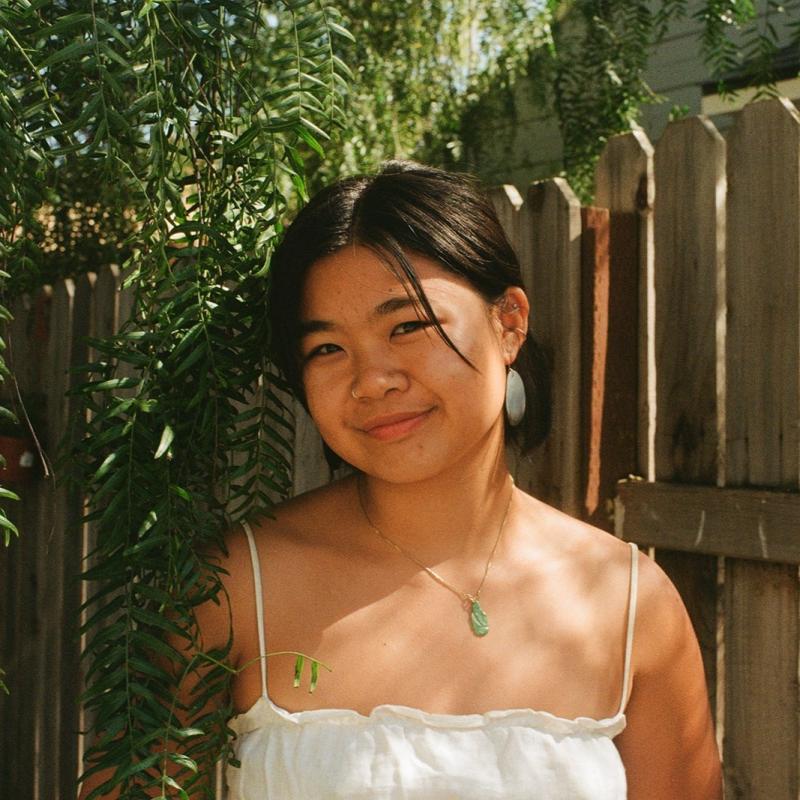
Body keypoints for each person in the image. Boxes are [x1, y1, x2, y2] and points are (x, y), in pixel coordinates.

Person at [81, 161, 723, 799]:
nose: (372, 379)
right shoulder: (232, 587)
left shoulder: (630, 602)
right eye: (327, 348)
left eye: (409, 325)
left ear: (509, 324)